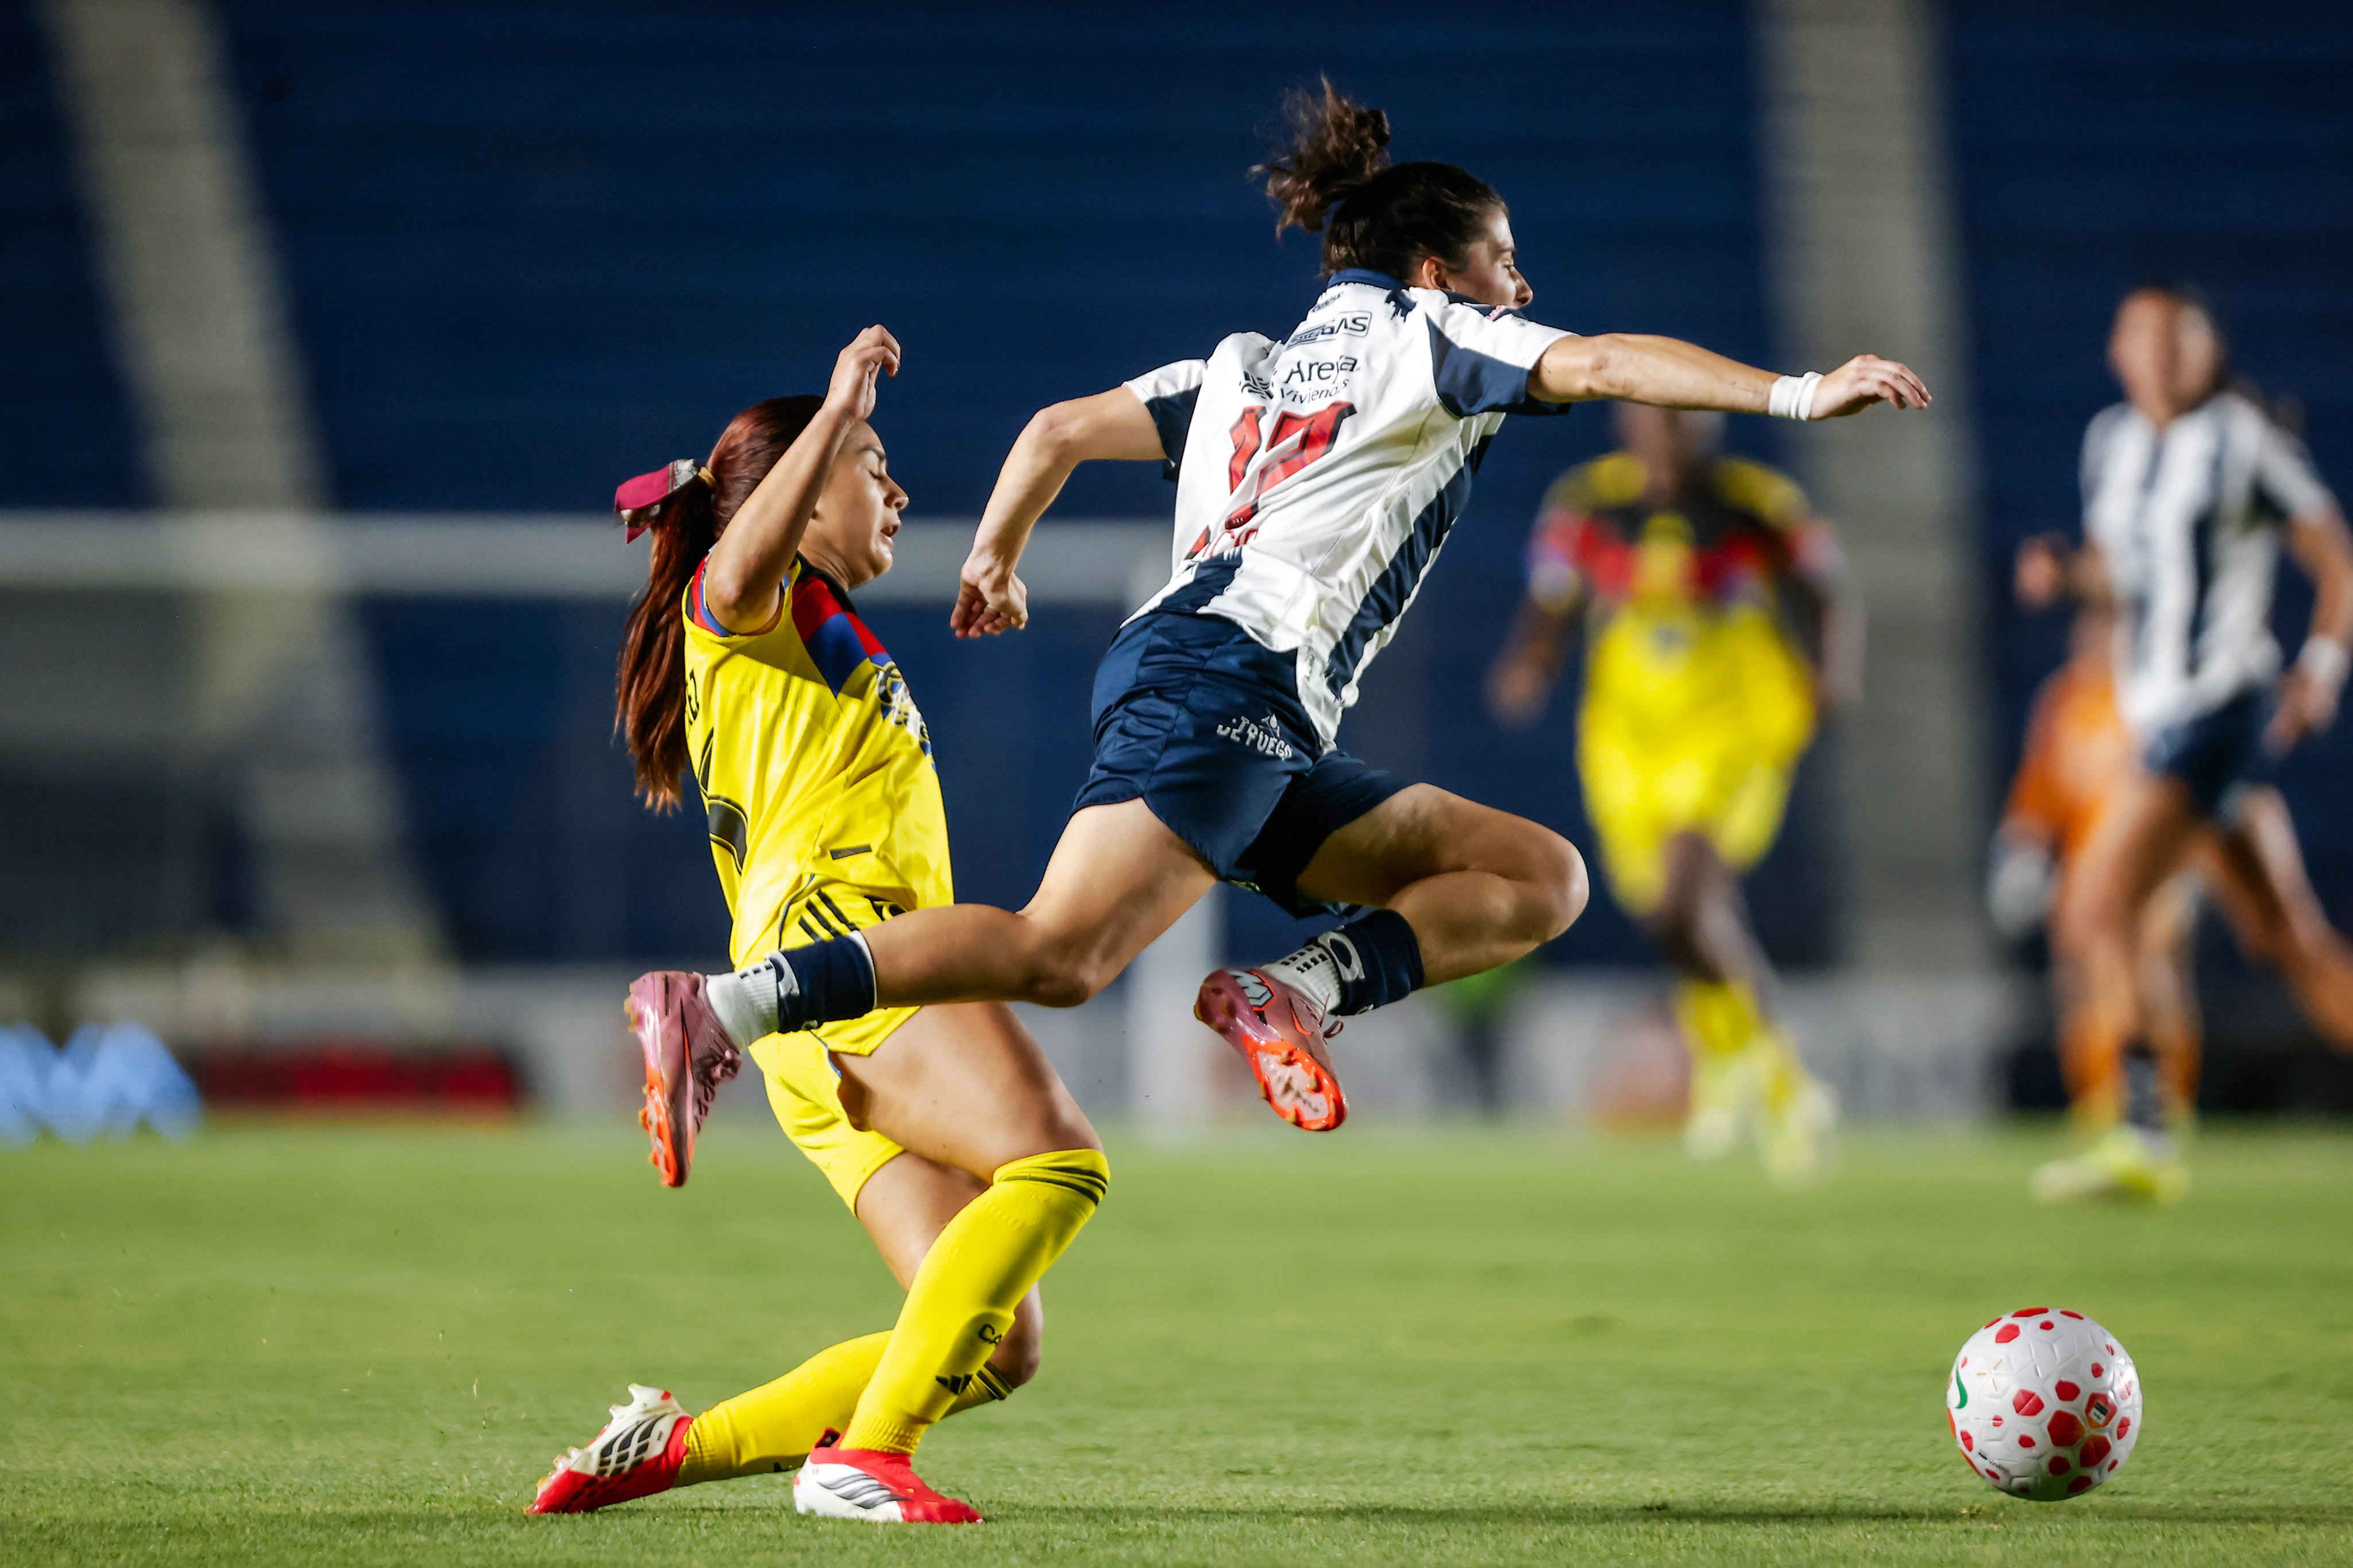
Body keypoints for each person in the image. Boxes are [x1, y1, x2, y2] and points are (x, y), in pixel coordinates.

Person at [631, 80, 1928, 1152]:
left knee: (1538, 877)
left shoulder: (1235, 371)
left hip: (1239, 698)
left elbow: (1053, 431)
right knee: (1059, 952)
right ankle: (723, 1009)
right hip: (1225, 680)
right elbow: (1597, 364)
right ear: (1437, 271)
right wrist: (1801, 394)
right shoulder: (1433, 336)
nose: (1520, 290)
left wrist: (998, 555)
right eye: (1504, 263)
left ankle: (1287, 992)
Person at [532, 328, 1108, 1525]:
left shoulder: (813, 628)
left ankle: (666, 1445)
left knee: (992, 1343)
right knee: (1058, 1163)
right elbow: (728, 578)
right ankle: (865, 1461)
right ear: (791, 501)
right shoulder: (746, 602)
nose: (896, 486)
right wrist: (838, 402)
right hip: (842, 958)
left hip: (815, 1010)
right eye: (868, 462)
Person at [2026, 282, 2353, 1202]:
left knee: (2097, 905)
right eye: (2144, 337)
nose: (2161, 355)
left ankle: (2140, 1129)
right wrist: (2066, 577)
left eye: (2180, 338)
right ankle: (2141, 1126)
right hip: (2158, 712)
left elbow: (2335, 558)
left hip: (2219, 705)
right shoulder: (2112, 444)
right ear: (2117, 351)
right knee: (2290, 940)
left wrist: (2321, 669)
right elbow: (2122, 577)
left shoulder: (2245, 441)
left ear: (2209, 350)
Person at [1484, 405, 1855, 1183]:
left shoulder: (1756, 500)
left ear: (1707, 427)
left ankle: (1761, 1069)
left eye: (1684, 419)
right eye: (1655, 418)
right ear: (1628, 424)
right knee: (1678, 919)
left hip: (1735, 725)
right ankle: (1758, 1069)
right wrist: (1532, 661)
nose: (1669, 433)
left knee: (1683, 902)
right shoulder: (1587, 501)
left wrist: (1833, 671)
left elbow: (1824, 588)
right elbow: (1553, 596)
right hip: (1627, 740)